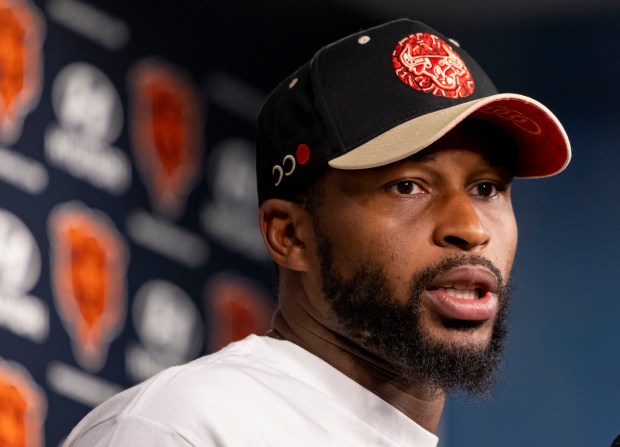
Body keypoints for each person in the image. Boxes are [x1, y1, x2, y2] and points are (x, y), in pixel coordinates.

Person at [66, 18, 571, 446]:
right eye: (408, 186)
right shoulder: (183, 427)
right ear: (290, 235)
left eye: (486, 188)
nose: (469, 228)